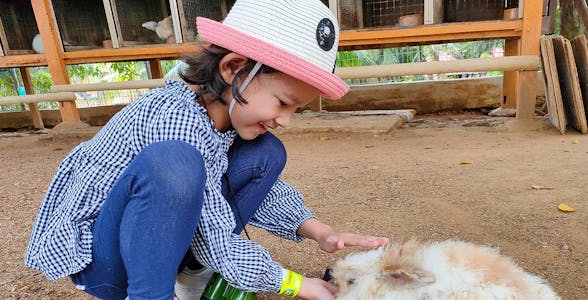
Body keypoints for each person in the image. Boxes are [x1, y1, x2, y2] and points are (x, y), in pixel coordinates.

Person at [24, 0, 389, 299]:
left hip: (156, 240)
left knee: (267, 153)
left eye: (296, 110)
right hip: (106, 262)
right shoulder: (176, 121)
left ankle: (192, 274)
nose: (286, 120)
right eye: (282, 102)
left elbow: (241, 190)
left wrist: (320, 232)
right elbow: (213, 230)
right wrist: (294, 284)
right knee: (176, 163)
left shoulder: (222, 118)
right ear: (233, 68)